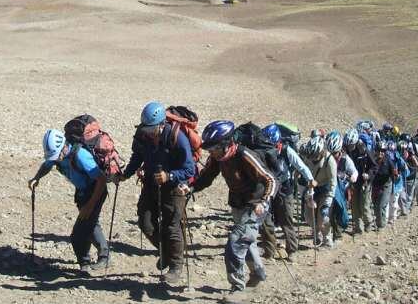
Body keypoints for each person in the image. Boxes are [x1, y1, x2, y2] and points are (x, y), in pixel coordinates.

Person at [192, 120, 277, 298]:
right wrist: (190, 188)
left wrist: (264, 201)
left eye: (214, 148)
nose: (211, 152)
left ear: (226, 144)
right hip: (238, 205)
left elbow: (270, 179)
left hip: (256, 206)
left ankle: (237, 290)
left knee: (235, 244)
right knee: (247, 242)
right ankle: (258, 273)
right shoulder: (218, 158)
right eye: (210, 149)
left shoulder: (245, 155)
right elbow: (206, 177)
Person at [118, 101, 195, 283]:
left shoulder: (177, 137)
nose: (148, 132)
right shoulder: (143, 135)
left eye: (151, 128)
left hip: (174, 187)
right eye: (146, 128)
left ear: (162, 124)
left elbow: (189, 170)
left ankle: (176, 267)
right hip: (151, 184)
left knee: (172, 226)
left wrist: (169, 176)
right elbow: (137, 156)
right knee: (145, 222)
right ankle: (166, 252)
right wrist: (125, 174)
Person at [28, 129, 109, 275]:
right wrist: (37, 177)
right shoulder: (59, 154)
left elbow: (101, 179)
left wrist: (90, 206)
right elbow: (48, 164)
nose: (56, 159)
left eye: (57, 155)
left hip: (96, 191)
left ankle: (84, 263)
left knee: (78, 235)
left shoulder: (81, 156)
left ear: (65, 146)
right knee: (90, 224)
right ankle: (104, 255)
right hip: (83, 192)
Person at [259, 123, 314, 261]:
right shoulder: (262, 151)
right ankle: (269, 251)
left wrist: (310, 179)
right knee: (265, 220)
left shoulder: (286, 150)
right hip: (268, 188)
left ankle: (292, 250)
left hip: (284, 188)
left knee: (286, 219)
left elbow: (300, 166)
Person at [298, 136, 338, 248]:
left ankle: (327, 239)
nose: (313, 158)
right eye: (311, 156)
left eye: (315, 156)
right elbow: (303, 169)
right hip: (311, 189)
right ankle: (317, 233)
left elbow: (333, 182)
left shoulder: (329, 160)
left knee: (323, 217)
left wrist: (328, 201)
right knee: (308, 216)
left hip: (325, 190)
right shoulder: (309, 157)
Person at [327, 130, 357, 246]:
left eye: (334, 153)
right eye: (331, 152)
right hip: (329, 188)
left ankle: (338, 234)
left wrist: (352, 177)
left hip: (343, 189)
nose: (333, 155)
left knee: (339, 211)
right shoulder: (326, 158)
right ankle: (330, 235)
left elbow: (354, 172)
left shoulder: (346, 159)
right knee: (328, 212)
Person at [345, 128, 375, 234]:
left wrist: (368, 174)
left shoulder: (364, 149)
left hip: (364, 181)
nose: (350, 147)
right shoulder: (347, 150)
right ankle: (358, 228)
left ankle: (368, 223)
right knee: (354, 205)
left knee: (364, 205)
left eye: (352, 145)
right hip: (353, 182)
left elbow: (374, 166)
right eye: (348, 145)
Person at [370, 140, 396, 230]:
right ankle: (378, 223)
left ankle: (382, 225)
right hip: (375, 185)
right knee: (375, 205)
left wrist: (395, 174)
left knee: (381, 205)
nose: (380, 153)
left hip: (386, 185)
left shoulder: (388, 160)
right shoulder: (372, 159)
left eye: (383, 151)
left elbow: (394, 172)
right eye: (379, 150)